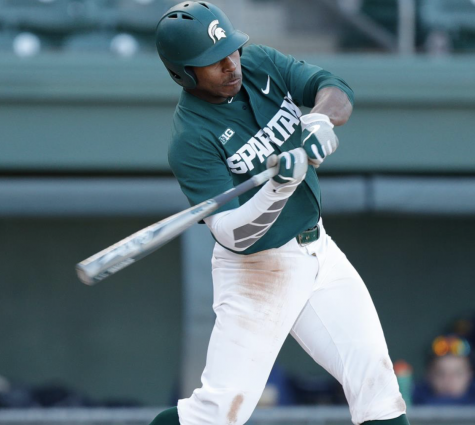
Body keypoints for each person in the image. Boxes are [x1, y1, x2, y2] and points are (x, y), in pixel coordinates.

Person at [151, 2, 409, 425]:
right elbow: (234, 235)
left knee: (379, 391)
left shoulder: (259, 62)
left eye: (230, 51)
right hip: (256, 272)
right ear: (182, 73)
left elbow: (334, 86)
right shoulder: (191, 138)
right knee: (216, 414)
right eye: (212, 62)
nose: (229, 64)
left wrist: (319, 122)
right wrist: (278, 186)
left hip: (319, 251)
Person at [413, 334, 475, 405]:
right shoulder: (411, 401)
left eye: (458, 373)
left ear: (470, 375)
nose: (449, 380)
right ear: (429, 375)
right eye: (440, 373)